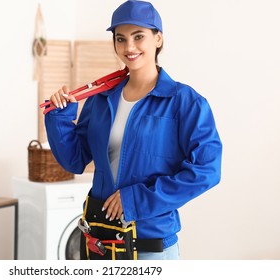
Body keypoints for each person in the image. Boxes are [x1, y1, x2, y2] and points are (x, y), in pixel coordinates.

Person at [44, 0, 222, 260]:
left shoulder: (186, 103)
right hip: (98, 242)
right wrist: (59, 115)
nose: (129, 47)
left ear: (158, 39)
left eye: (139, 36)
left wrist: (136, 199)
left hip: (150, 247)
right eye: (120, 39)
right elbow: (75, 160)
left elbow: (207, 170)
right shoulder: (101, 98)